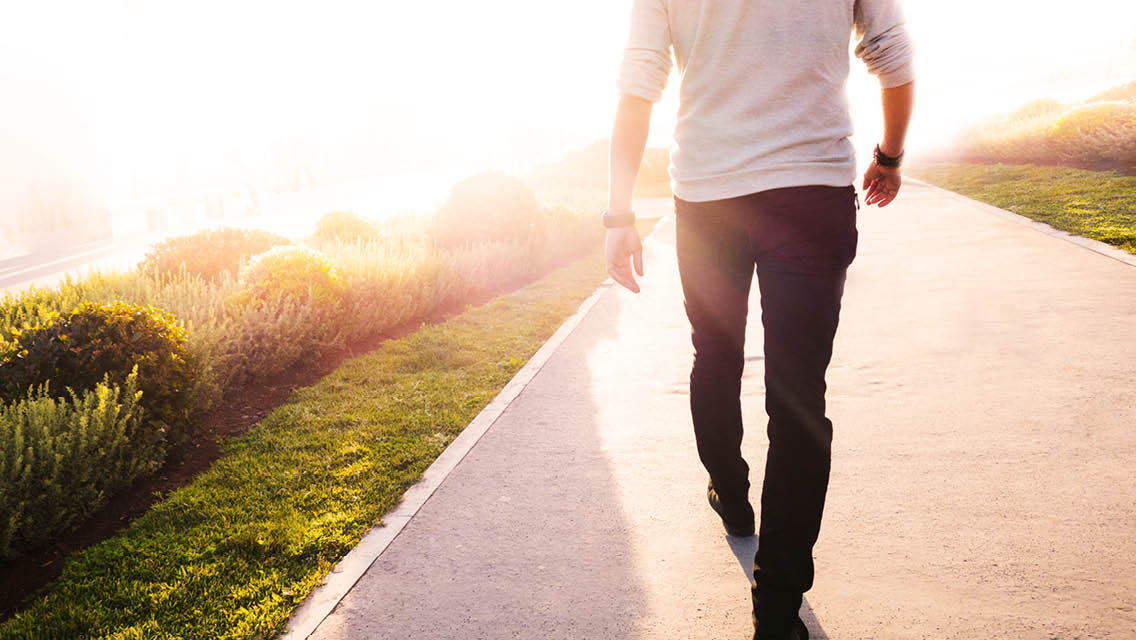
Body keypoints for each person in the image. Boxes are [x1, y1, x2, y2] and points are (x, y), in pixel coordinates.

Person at [602, 1, 915, 639]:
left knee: (715, 355)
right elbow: (894, 55)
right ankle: (776, 609)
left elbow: (640, 82)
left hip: (707, 197)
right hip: (809, 193)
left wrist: (617, 214)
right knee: (798, 397)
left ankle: (731, 493)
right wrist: (889, 155)